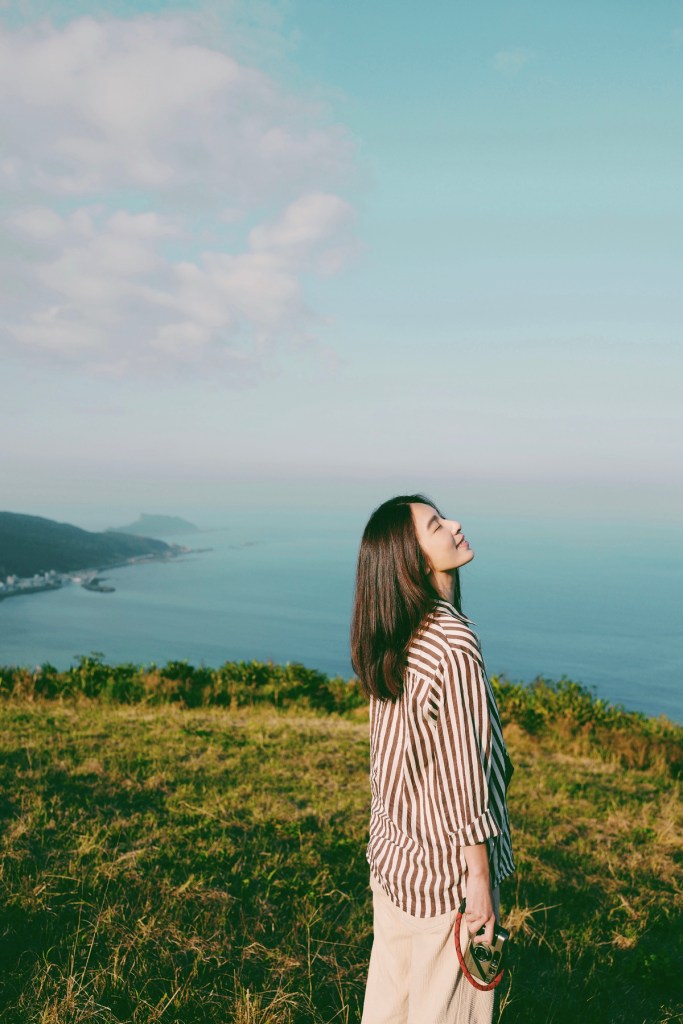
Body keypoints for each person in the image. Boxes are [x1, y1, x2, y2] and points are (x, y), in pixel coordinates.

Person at [350, 493, 515, 1024]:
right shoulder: (452, 642)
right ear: (413, 557)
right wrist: (480, 884)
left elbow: (393, 762)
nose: (455, 525)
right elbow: (465, 778)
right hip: (445, 880)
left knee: (388, 1010)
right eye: (437, 524)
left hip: (394, 861)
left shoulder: (394, 633)